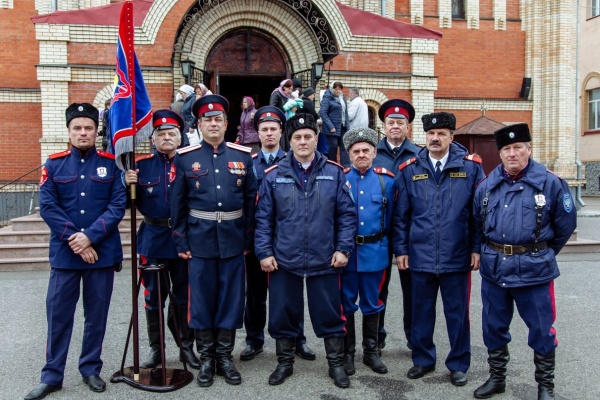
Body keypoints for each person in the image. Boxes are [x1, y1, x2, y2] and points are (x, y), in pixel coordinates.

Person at [25, 103, 126, 400]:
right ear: (68, 131)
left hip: (101, 253)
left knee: (96, 315)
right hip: (66, 256)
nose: (83, 132)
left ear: (96, 131)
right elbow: (49, 207)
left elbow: (117, 206)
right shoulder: (54, 164)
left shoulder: (111, 164)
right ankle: (52, 374)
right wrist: (76, 240)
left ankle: (90, 368)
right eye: (77, 128)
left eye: (89, 128)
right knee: (58, 315)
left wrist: (90, 237)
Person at [472, 123, 576, 400]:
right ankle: (497, 379)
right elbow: (477, 225)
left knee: (542, 330)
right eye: (506, 149)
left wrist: (540, 252)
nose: (512, 153)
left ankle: (545, 387)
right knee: (493, 327)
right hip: (495, 270)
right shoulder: (487, 186)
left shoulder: (551, 183)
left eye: (518, 147)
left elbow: (565, 226)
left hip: (534, 271)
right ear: (500, 153)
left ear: (529, 149)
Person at [254, 113, 356, 388]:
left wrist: (343, 249)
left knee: (330, 313)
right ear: (290, 140)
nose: (302, 141)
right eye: (297, 137)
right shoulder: (274, 175)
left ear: (315, 139)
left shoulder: (334, 172)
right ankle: (284, 363)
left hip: (325, 257)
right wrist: (264, 252)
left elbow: (347, 216)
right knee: (283, 312)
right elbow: (263, 219)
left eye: (308, 136)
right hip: (284, 259)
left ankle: (335, 364)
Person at [170, 94, 258, 388]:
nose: (213, 124)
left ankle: (225, 358)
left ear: (226, 123)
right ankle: (206, 360)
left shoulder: (242, 156)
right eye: (207, 120)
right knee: (203, 302)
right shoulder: (186, 157)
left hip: (233, 241)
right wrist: (181, 241)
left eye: (218, 119)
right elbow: (177, 205)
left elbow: (250, 202)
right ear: (199, 124)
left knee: (231, 300)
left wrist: (248, 239)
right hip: (200, 242)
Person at [393, 112, 484, 386]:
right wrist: (401, 250)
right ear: (425, 136)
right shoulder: (410, 168)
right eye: (431, 134)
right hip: (419, 256)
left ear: (451, 137)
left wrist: (476, 247)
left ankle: (458, 364)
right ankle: (422, 360)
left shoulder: (470, 168)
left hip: (457, 255)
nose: (435, 138)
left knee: (457, 313)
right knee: (421, 311)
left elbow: (477, 213)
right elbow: (401, 216)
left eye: (442, 134)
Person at [123, 109, 200, 371]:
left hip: (183, 241)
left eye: (172, 133)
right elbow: (125, 204)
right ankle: (157, 350)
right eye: (161, 134)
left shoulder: (190, 163)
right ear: (153, 139)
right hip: (153, 240)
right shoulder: (141, 166)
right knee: (153, 298)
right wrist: (126, 183)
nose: (166, 138)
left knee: (184, 298)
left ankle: (186, 348)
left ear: (180, 138)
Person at [341, 127, 395, 377]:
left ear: (374, 152)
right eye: (356, 151)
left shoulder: (387, 181)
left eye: (366, 150)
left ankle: (371, 352)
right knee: (347, 304)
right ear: (348, 154)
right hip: (347, 255)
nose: (361, 154)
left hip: (375, 253)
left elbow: (395, 220)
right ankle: (348, 352)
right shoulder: (340, 179)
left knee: (373, 304)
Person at [372, 98, 421, 352]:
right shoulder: (372, 153)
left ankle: (414, 339)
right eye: (391, 122)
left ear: (408, 126)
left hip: (410, 234)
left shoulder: (419, 155)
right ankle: (376, 339)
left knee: (412, 290)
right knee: (379, 289)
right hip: (379, 233)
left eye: (400, 122)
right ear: (384, 125)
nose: (395, 126)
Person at [320, 81, 350, 167]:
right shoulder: (327, 98)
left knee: (344, 147)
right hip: (332, 129)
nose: (338, 91)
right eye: (336, 89)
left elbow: (345, 112)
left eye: (339, 89)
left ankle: (346, 168)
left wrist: (348, 126)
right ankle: (332, 167)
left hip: (343, 127)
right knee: (333, 149)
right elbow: (323, 113)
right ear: (332, 89)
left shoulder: (342, 97)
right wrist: (331, 126)